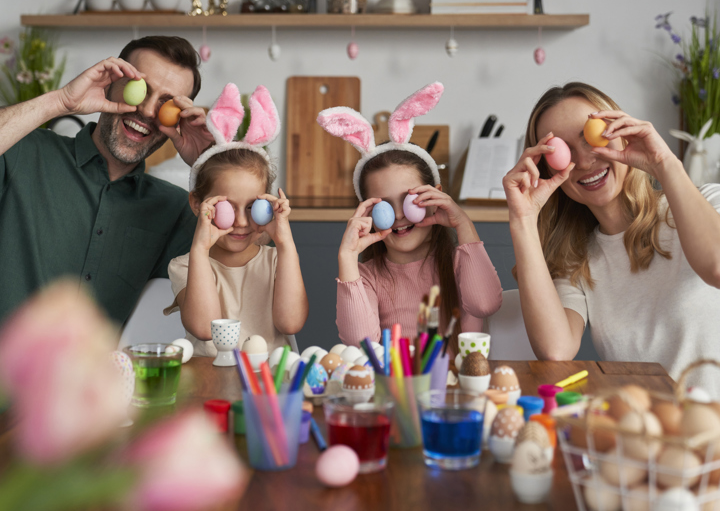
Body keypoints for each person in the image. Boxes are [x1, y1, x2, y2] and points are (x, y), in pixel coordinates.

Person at [503, 81, 720, 393]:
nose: (586, 161)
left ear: (622, 134)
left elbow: (716, 266)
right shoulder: (577, 259)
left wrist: (664, 162)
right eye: (562, 152)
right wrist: (522, 218)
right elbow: (555, 349)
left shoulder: (708, 202)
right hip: (642, 432)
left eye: (593, 137)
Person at [0, 35, 213, 326]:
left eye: (166, 104)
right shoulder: (24, 151)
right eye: (140, 89)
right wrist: (60, 101)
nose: (148, 111)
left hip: (105, 372)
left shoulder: (175, 209)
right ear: (110, 84)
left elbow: (252, 264)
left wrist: (211, 163)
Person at [318, 82, 503, 356]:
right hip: (395, 392)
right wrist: (347, 258)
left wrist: (463, 223)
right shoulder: (367, 277)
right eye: (384, 207)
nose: (400, 215)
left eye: (408, 199)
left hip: (453, 392)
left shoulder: (458, 263)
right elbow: (360, 344)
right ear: (366, 212)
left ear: (435, 197)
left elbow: (486, 304)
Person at [164, 83, 308, 356]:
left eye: (254, 207)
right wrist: (200, 248)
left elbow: (291, 323)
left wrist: (285, 242)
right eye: (227, 208)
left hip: (269, 385)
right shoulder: (186, 265)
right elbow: (205, 329)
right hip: (211, 385)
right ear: (198, 203)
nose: (241, 222)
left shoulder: (277, 261)